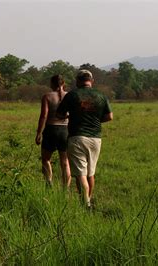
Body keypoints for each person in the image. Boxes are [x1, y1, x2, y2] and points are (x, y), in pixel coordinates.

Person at [56, 69, 113, 208]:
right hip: (96, 139)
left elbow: (59, 114)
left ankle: (85, 204)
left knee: (80, 174)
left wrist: (69, 116)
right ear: (91, 81)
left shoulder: (72, 95)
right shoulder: (101, 95)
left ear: (77, 81)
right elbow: (109, 116)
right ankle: (89, 200)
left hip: (77, 137)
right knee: (90, 173)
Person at [35, 75, 71, 188]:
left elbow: (43, 116)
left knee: (46, 159)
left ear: (51, 84)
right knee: (65, 162)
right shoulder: (70, 96)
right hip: (65, 131)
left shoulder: (47, 97)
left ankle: (49, 183)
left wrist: (39, 133)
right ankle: (65, 189)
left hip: (50, 129)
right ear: (63, 83)